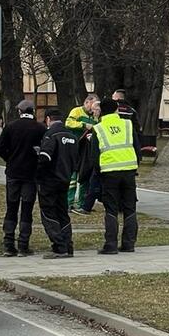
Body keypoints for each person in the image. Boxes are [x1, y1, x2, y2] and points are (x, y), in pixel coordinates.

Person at [0, 100, 46, 257]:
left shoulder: (11, 127)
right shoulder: (40, 128)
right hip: (31, 174)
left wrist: (10, 159)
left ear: (19, 111)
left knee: (11, 207)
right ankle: (23, 245)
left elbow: (0, 148)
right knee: (27, 209)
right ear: (33, 112)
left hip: (13, 173)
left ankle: (9, 244)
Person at [92, 99, 140, 254]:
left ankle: (111, 244)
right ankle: (129, 243)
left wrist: (97, 174)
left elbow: (94, 156)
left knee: (111, 209)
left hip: (109, 172)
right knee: (130, 207)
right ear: (116, 110)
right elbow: (137, 147)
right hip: (129, 171)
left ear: (101, 111)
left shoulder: (98, 128)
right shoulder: (127, 124)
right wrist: (135, 165)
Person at [37, 108, 78, 258]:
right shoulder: (71, 136)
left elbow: (45, 158)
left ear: (48, 119)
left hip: (49, 180)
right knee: (62, 212)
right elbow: (76, 160)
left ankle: (59, 247)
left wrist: (39, 175)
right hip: (65, 180)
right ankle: (68, 245)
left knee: (48, 213)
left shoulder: (51, 134)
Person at [65, 93, 99, 210]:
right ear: (87, 102)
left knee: (85, 176)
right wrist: (84, 125)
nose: (94, 108)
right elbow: (68, 123)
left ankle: (82, 203)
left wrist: (96, 119)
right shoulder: (76, 111)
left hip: (86, 150)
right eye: (93, 105)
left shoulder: (95, 116)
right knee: (72, 178)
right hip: (74, 147)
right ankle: (69, 203)